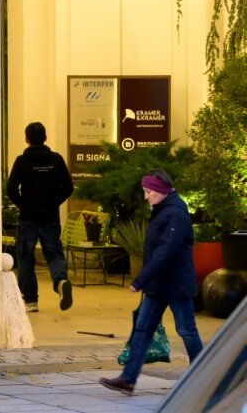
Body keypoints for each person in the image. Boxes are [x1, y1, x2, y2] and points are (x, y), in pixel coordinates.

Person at [100, 168, 203, 396]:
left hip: (176, 284)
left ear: (161, 190)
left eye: (148, 191)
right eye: (144, 191)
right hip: (158, 285)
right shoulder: (162, 210)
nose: (146, 196)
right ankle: (128, 379)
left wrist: (140, 279)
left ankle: (203, 377)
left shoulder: (176, 213)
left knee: (186, 330)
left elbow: (165, 252)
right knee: (143, 328)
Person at [6, 122, 74, 313]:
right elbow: (68, 188)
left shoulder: (22, 161)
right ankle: (60, 281)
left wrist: (24, 204)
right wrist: (53, 203)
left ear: (26, 139)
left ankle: (31, 301)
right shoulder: (56, 159)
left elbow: (11, 190)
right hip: (50, 217)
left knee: (26, 258)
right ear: (45, 138)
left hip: (28, 218)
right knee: (54, 254)